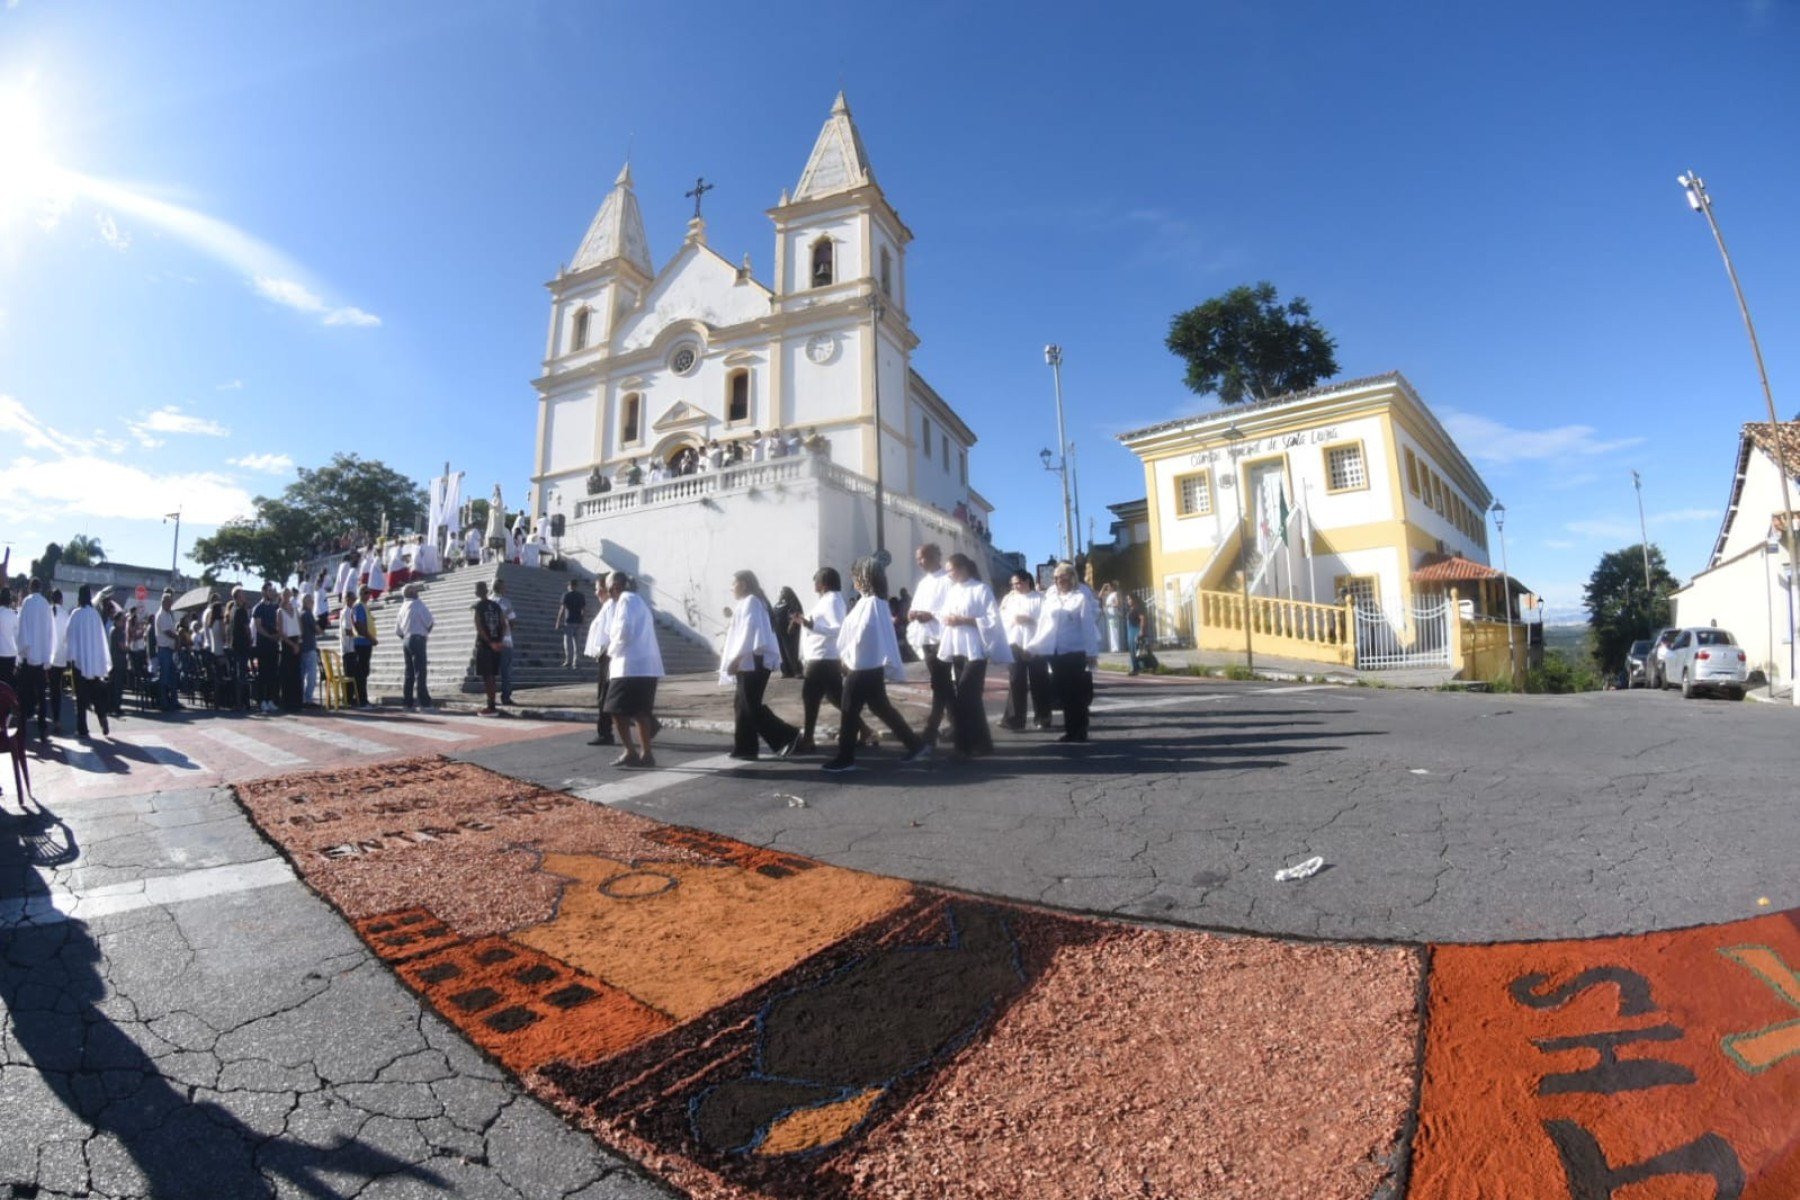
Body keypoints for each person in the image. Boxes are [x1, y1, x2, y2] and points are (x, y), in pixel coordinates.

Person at [822, 557, 928, 773]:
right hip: (868, 666)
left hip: (862, 667)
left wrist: (848, 657)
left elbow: (865, 635)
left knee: (848, 710)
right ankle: (915, 744)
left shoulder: (872, 603)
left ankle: (845, 758)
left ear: (865, 578)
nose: (853, 579)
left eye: (855, 575)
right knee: (881, 708)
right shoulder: (870, 602)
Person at [719, 569, 800, 761]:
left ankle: (787, 735)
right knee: (741, 704)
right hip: (749, 661)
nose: (731, 588)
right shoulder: (750, 602)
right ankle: (745, 748)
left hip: (752, 661)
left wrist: (736, 659)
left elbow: (749, 632)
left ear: (743, 584)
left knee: (750, 705)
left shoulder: (751, 602)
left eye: (733, 584)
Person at [791, 567, 873, 755]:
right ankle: (864, 729)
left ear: (824, 583)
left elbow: (838, 629)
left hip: (823, 658)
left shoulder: (833, 600)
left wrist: (809, 624)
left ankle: (808, 739)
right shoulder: (827, 600)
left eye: (816, 579)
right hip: (821, 657)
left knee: (810, 697)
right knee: (836, 697)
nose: (814, 583)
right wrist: (804, 623)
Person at [937, 554, 1008, 759]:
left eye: (951, 570)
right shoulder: (953, 591)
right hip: (958, 648)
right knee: (972, 698)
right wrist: (947, 619)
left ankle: (963, 746)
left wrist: (964, 620)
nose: (949, 575)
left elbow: (992, 620)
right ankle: (982, 743)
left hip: (976, 650)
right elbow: (944, 613)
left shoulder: (981, 589)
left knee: (965, 696)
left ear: (963, 568)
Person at [1029, 561, 1100, 742]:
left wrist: (1091, 652)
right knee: (1064, 693)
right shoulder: (1051, 599)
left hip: (1075, 651)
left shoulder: (1079, 598)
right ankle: (1070, 730)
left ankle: (1080, 730)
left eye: (1062, 577)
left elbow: (1088, 627)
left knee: (1076, 693)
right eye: (1055, 578)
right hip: (1055, 651)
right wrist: (1034, 646)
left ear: (1071, 577)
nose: (1058, 581)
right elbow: (1043, 625)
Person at [602, 571, 663, 767]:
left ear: (615, 587)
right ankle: (647, 753)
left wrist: (610, 651)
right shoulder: (639, 601)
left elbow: (624, 631)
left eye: (608, 589)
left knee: (615, 709)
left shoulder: (625, 600)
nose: (609, 594)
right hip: (645, 666)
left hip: (629, 665)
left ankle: (630, 751)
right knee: (640, 711)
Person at [905, 543, 955, 743]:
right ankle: (957, 724)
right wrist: (912, 613)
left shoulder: (948, 580)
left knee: (940, 684)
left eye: (922, 558)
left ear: (935, 557)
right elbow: (915, 606)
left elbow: (953, 608)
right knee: (943, 685)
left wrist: (931, 615)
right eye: (917, 559)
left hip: (941, 638)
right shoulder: (923, 583)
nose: (919, 562)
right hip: (925, 637)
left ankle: (932, 728)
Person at [999, 569, 1053, 731]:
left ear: (1027, 581)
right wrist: (1013, 620)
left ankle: (1043, 717)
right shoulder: (1009, 599)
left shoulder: (1040, 599)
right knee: (1016, 680)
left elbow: (1047, 622)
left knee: (1039, 681)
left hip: (1036, 644)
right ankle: (1014, 719)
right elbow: (1002, 619)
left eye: (1018, 583)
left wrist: (1030, 620)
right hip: (1015, 643)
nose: (1015, 587)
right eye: (1013, 584)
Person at [64, 586, 113, 739]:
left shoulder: (76, 614)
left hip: (79, 661)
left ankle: (82, 728)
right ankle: (102, 716)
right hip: (93, 661)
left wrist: (70, 656)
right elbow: (100, 637)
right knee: (96, 693)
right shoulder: (95, 615)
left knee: (81, 696)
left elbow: (69, 636)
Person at [583, 577, 615, 747]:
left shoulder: (611, 606)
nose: (596, 593)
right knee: (608, 695)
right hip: (605, 655)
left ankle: (604, 732)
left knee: (604, 695)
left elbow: (611, 633)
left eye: (597, 589)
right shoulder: (608, 606)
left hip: (608, 655)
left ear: (605, 589)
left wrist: (604, 650)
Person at [396, 583, 434, 710]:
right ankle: (424, 703)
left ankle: (407, 702)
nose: (417, 592)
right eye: (415, 590)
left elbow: (398, 631)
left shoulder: (402, 607)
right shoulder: (418, 604)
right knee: (420, 672)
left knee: (409, 673)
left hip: (406, 640)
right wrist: (425, 634)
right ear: (412, 593)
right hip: (417, 638)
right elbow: (429, 622)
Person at [471, 580, 506, 715]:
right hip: (496, 644)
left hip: (485, 645)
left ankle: (491, 706)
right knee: (493, 676)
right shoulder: (496, 606)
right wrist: (499, 641)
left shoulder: (478, 607)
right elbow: (503, 624)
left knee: (488, 677)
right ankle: (492, 703)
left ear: (478, 592)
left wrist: (490, 642)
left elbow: (479, 626)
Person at [150, 588, 181, 715]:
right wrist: (177, 637)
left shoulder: (168, 614)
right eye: (169, 602)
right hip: (164, 650)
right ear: (163, 602)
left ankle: (174, 701)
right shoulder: (161, 614)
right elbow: (167, 631)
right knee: (164, 678)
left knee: (173, 677)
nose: (170, 604)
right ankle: (163, 702)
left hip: (170, 649)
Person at [345, 586, 376, 710]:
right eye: (366, 592)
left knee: (364, 672)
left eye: (369, 592)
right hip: (362, 643)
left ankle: (363, 699)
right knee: (361, 673)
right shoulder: (359, 607)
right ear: (361, 594)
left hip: (364, 643)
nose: (368, 595)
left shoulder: (362, 606)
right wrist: (371, 638)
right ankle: (362, 701)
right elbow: (360, 627)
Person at [252, 584, 281, 714]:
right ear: (263, 592)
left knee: (272, 674)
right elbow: (258, 627)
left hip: (274, 645)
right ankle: (262, 700)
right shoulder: (258, 608)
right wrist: (270, 636)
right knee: (263, 673)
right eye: (269, 591)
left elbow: (278, 623)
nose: (271, 593)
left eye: (272, 590)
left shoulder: (275, 608)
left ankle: (270, 700)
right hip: (263, 645)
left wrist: (277, 635)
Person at [46, 589, 70, 735]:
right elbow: (67, 637)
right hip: (60, 657)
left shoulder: (47, 612)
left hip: (48, 656)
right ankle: (57, 720)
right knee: (57, 689)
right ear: (61, 599)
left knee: (49, 688)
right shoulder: (65, 614)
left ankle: (44, 716)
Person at [277, 590, 304, 712]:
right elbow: (281, 632)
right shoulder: (280, 612)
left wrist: (298, 642)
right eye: (285, 595)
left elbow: (299, 627)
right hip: (287, 643)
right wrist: (292, 645)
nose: (287, 597)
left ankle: (297, 702)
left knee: (296, 673)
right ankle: (287, 702)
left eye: (289, 595)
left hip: (296, 641)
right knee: (287, 674)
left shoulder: (295, 610)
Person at [492, 577, 517, 704]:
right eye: (504, 586)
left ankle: (490, 697)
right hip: (505, 641)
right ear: (501, 589)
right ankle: (505, 697)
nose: (506, 588)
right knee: (505, 671)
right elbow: (512, 621)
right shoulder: (505, 602)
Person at [771, 586, 804, 679]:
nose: (781, 594)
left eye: (783, 592)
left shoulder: (793, 603)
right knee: (782, 651)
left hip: (789, 631)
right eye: (780, 592)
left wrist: (792, 624)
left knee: (791, 651)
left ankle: (797, 671)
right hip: (779, 631)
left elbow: (797, 614)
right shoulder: (777, 604)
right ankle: (787, 671)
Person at [555, 578, 587, 669]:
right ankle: (576, 662)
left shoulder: (566, 595)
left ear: (570, 586)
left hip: (569, 621)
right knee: (577, 643)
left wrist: (558, 621)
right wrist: (583, 619)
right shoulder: (581, 596)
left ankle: (568, 660)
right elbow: (584, 609)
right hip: (578, 621)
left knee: (568, 642)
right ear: (576, 586)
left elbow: (562, 609)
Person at [298, 593, 321, 707]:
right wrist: (321, 630)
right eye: (311, 601)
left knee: (302, 674)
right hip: (310, 647)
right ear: (307, 602)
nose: (313, 603)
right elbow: (316, 629)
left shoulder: (300, 614)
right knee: (311, 675)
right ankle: (308, 698)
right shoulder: (308, 614)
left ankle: (302, 697)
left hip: (302, 647)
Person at [1126, 592, 1152, 675]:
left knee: (1138, 649)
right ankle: (1137, 667)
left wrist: (1141, 630)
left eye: (1129, 599)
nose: (1128, 601)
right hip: (1131, 630)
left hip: (1136, 629)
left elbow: (1142, 619)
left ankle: (1138, 668)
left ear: (1134, 599)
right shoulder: (1131, 609)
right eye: (1127, 599)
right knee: (1133, 650)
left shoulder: (1138, 608)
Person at [0, 586, 17, 687]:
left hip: (0, 654)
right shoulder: (14, 615)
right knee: (9, 686)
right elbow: (17, 635)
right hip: (11, 654)